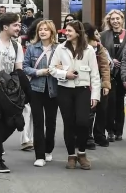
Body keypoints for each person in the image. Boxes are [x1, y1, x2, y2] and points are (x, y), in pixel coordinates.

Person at [0, 13, 31, 173]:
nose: (19, 28)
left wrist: (25, 91)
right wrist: (0, 82)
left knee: (13, 124)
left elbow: (18, 70)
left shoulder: (16, 46)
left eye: (19, 25)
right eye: (16, 25)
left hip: (10, 92)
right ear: (5, 27)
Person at [49, 20, 100, 170]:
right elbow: (52, 69)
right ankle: (71, 155)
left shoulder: (89, 50)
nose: (67, 33)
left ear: (78, 33)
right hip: (65, 89)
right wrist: (65, 74)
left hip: (83, 90)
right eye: (66, 30)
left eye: (70, 31)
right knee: (69, 123)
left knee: (83, 122)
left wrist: (95, 96)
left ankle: (82, 153)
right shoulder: (60, 48)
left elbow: (95, 75)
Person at [23, 19, 59, 167]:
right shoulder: (32, 48)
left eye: (46, 29)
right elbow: (25, 67)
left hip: (53, 90)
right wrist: (38, 72)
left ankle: (49, 149)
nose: (43, 32)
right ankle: (39, 155)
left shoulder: (59, 48)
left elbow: (66, 66)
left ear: (52, 32)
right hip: (36, 89)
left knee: (51, 122)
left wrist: (57, 69)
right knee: (38, 122)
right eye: (40, 29)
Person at [100, 10, 126, 141]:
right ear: (109, 21)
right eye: (112, 19)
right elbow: (100, 52)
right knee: (110, 102)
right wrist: (111, 59)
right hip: (109, 72)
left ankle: (119, 131)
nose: (115, 21)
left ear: (122, 20)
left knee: (119, 102)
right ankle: (109, 130)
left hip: (123, 73)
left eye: (118, 18)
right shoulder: (104, 35)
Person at [84, 23, 112, 150]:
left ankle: (99, 134)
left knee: (102, 110)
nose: (98, 36)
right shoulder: (81, 47)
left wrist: (106, 84)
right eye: (95, 33)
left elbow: (105, 67)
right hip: (86, 83)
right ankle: (88, 136)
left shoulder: (99, 48)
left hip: (99, 82)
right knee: (89, 111)